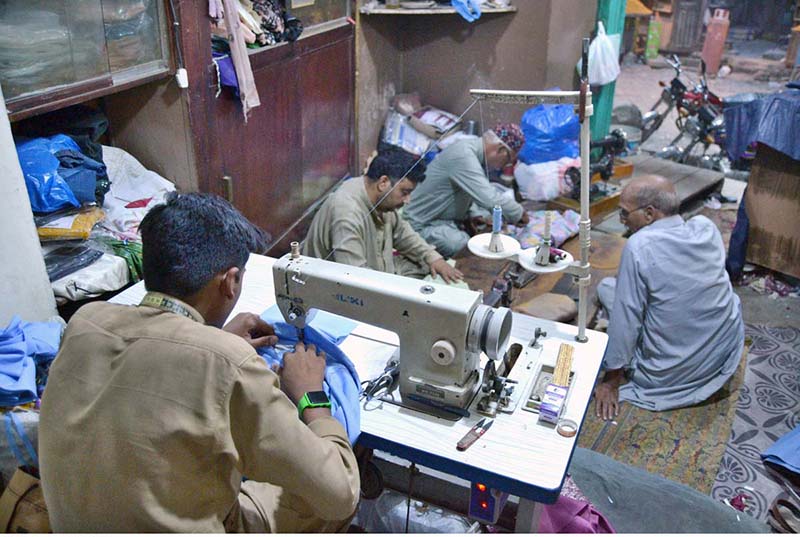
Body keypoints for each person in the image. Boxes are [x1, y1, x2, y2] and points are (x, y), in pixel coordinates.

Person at [38, 193, 360, 532]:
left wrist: (209, 337)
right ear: (231, 281)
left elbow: (154, 367)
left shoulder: (85, 322)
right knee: (326, 496)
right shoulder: (230, 364)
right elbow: (340, 493)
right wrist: (312, 396)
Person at [594, 175, 744, 419]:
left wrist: (611, 380)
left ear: (649, 214)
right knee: (613, 288)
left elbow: (626, 321)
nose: (623, 221)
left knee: (607, 290)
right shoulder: (706, 228)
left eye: (624, 213)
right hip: (718, 357)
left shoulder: (639, 245)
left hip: (669, 373)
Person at [303, 147, 463, 283]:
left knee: (430, 267)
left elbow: (402, 233)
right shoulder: (347, 213)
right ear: (383, 182)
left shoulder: (379, 199)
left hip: (377, 272)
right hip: (338, 291)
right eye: (405, 192)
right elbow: (354, 280)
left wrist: (433, 258)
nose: (408, 200)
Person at [403, 123, 530, 258]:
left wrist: (476, 214)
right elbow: (489, 197)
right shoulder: (463, 155)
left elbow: (468, 193)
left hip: (443, 220)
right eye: (508, 159)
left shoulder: (472, 152)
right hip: (420, 226)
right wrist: (519, 213)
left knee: (483, 230)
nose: (506, 165)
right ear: (500, 150)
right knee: (467, 246)